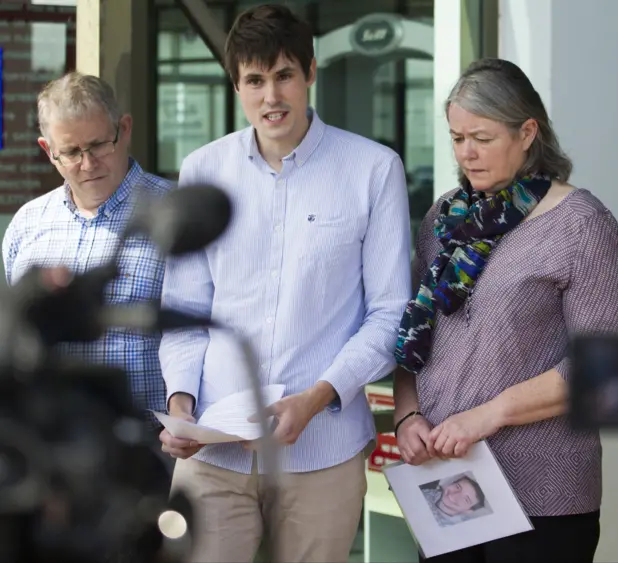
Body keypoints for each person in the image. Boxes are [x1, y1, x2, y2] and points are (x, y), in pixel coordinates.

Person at [158, 4, 411, 562]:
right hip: (212, 452)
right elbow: (183, 309)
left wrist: (317, 399)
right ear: (237, 85)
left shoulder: (373, 169)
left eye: (283, 76)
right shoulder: (203, 170)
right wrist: (181, 404)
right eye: (254, 80)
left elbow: (390, 312)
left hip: (322, 453)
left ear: (310, 73)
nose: (270, 97)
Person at [393, 58, 618, 563]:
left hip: (544, 494)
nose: (467, 154)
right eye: (457, 138)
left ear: (528, 132)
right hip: (447, 482)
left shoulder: (581, 224)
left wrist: (486, 416)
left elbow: (607, 373)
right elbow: (416, 336)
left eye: (481, 137)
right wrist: (407, 415)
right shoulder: (444, 217)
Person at [2, 72, 173, 431]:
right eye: (71, 152)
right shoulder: (26, 225)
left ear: (124, 130)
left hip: (153, 447)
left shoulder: (172, 214)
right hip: (49, 449)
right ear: (48, 151)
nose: (88, 163)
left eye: (98, 146)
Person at [420, 475, 487, 527]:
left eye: (466, 499)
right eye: (457, 487)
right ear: (451, 483)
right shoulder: (429, 487)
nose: (453, 496)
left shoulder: (453, 529)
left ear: (468, 511)